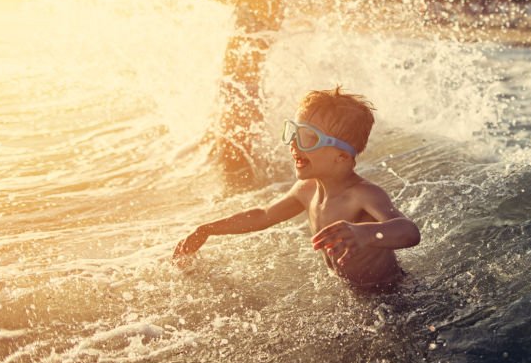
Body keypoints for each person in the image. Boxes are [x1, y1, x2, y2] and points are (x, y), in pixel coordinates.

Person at [173, 88, 421, 287]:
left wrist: (366, 234)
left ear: (342, 157)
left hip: (388, 291)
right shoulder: (306, 190)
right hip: (349, 289)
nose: (294, 144)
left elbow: (409, 231)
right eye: (293, 133)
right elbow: (263, 216)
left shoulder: (362, 195)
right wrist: (207, 229)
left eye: (307, 138)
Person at [120, 0, 306, 188]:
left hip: (242, 96)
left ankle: (252, 214)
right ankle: (252, 208)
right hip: (234, 92)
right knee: (231, 167)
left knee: (237, 172)